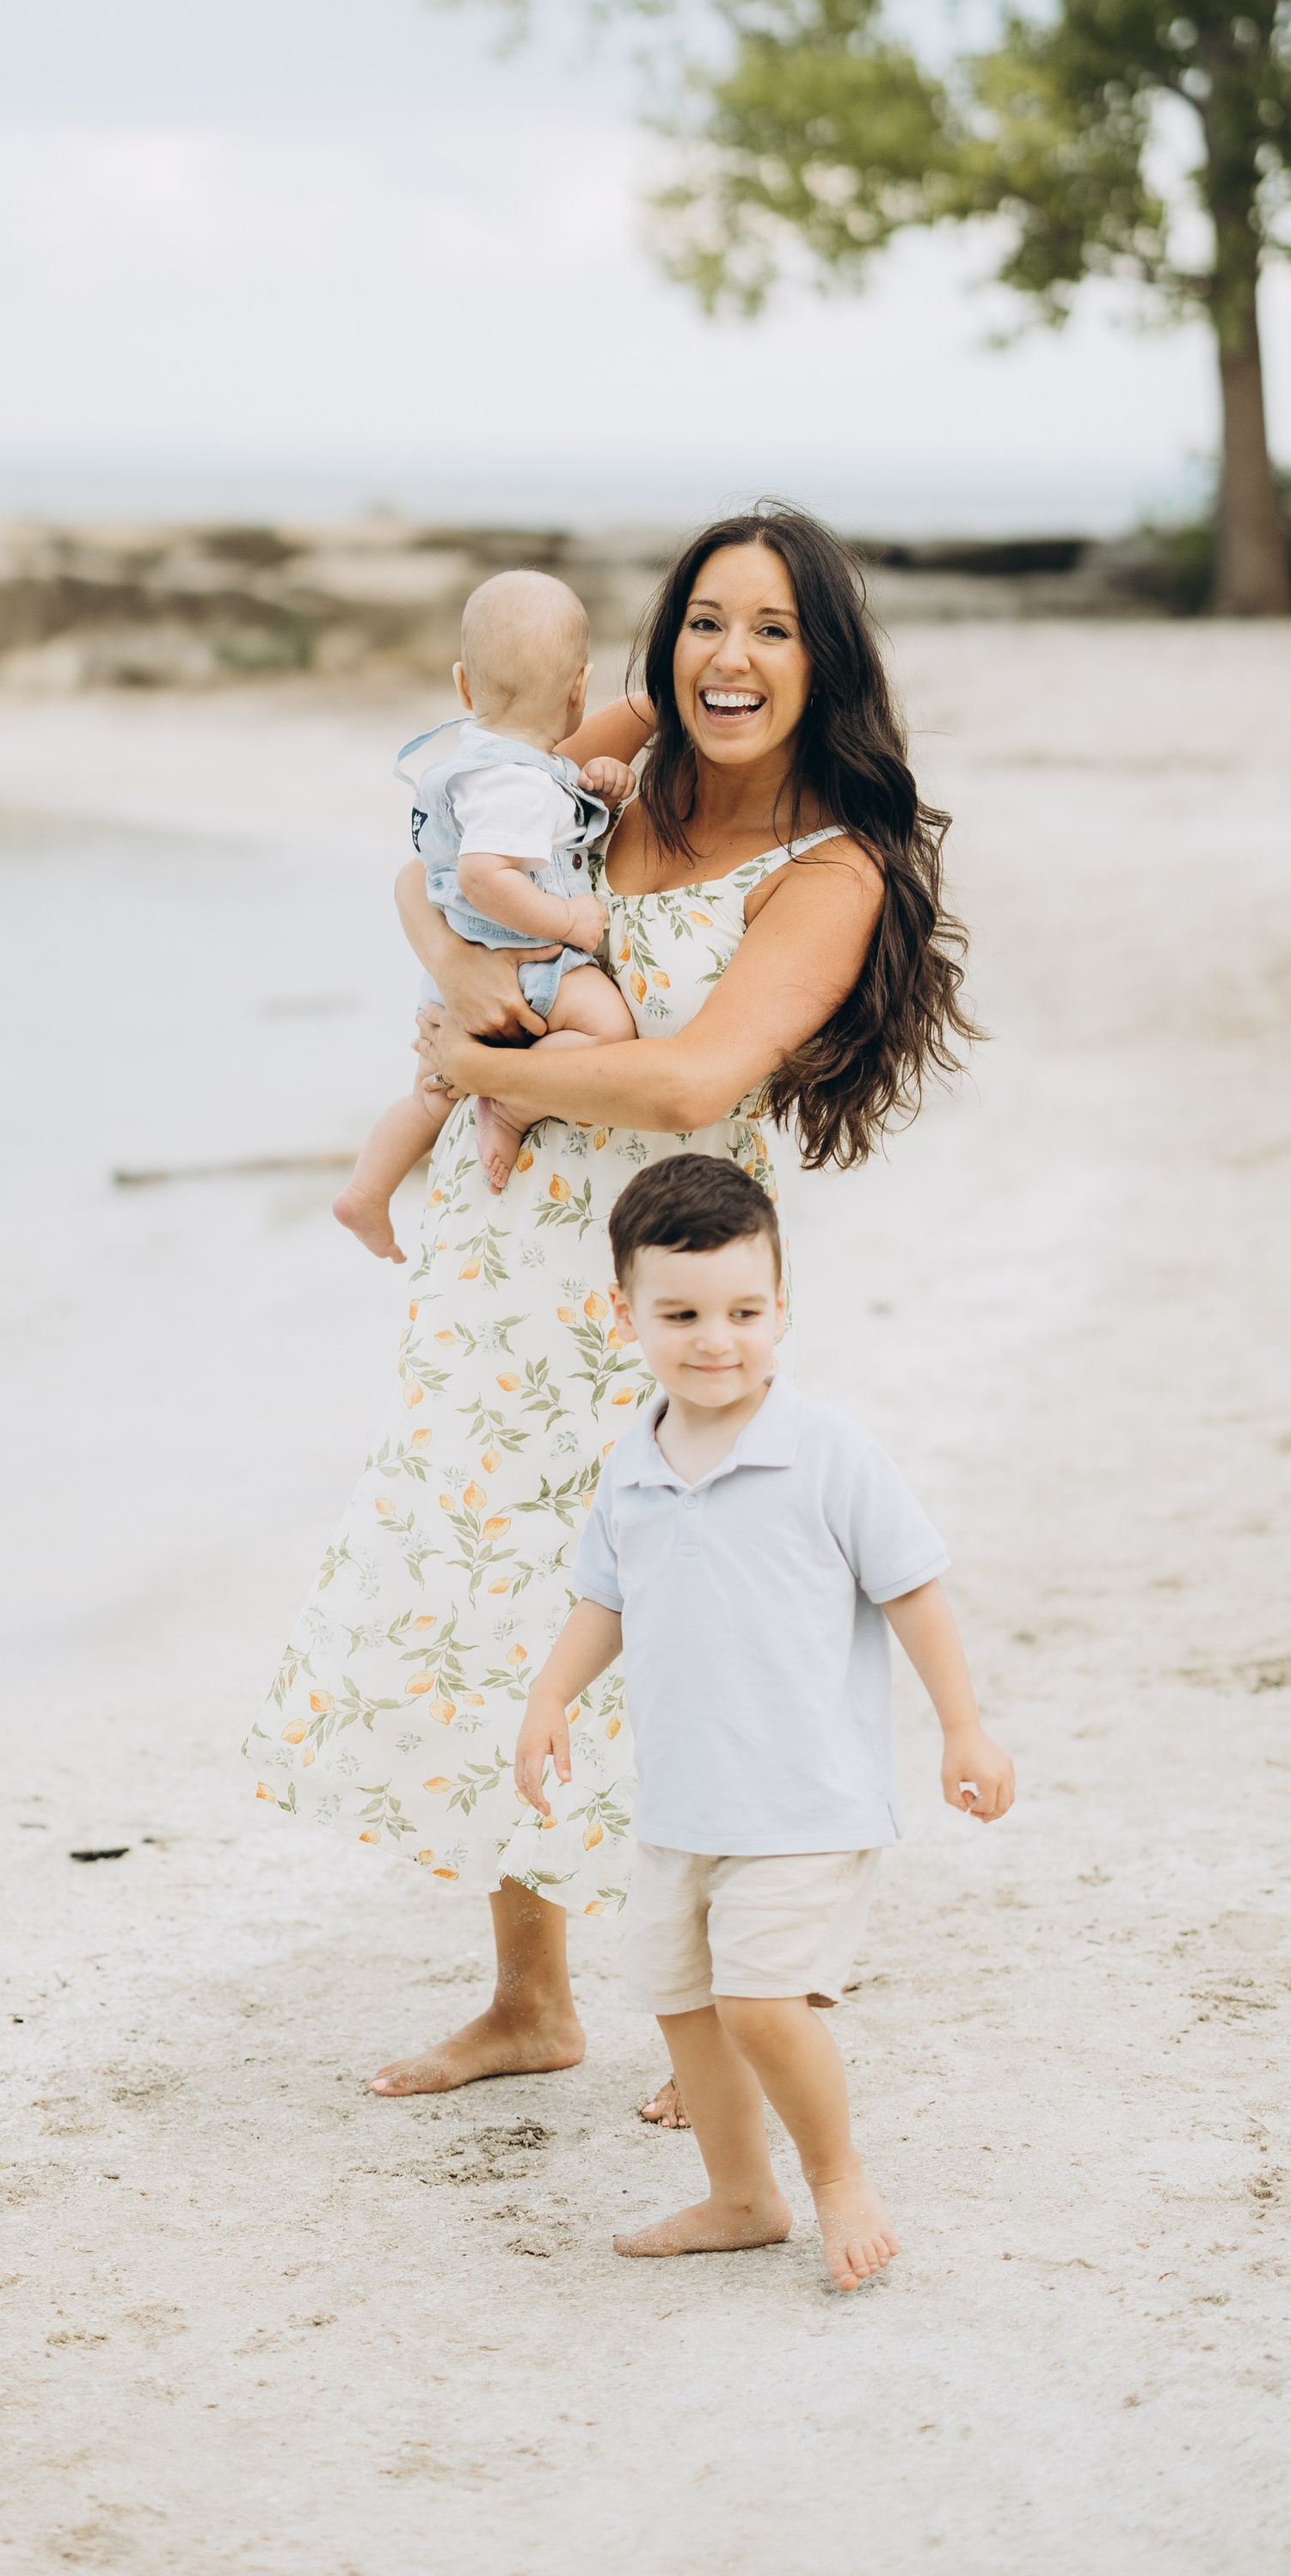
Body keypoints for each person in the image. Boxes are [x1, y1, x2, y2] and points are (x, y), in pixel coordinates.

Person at [241, 505, 977, 2108]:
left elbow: (695, 1074)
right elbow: (446, 834)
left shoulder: (829, 870)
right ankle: (529, 2000)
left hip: (668, 1293)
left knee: (694, 1633)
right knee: (511, 1611)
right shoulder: (609, 788)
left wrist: (487, 1061)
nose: (733, 658)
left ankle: (709, 2015)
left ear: (827, 661)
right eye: (708, 622)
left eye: (777, 631)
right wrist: (445, 968)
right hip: (502, 1274)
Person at [515, 1153, 1013, 2290]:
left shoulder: (827, 1449)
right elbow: (605, 1601)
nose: (714, 1339)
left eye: (744, 1311)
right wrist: (549, 1698)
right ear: (624, 1314)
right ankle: (741, 2196)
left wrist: (963, 1730)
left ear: (782, 1308)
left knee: (759, 2003)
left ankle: (837, 2177)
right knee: (682, 2003)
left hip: (804, 1796)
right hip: (684, 1801)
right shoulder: (632, 1465)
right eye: (680, 1313)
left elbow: (914, 1589)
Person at [334, 569, 639, 1253]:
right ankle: (513, 1105)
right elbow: (483, 875)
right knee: (609, 1027)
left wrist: (602, 790)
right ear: (578, 689)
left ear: (464, 686)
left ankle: (367, 1190)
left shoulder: (484, 769)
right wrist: (567, 923)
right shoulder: (520, 785)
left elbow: (518, 837)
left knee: (430, 1097)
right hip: (533, 964)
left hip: (457, 979)